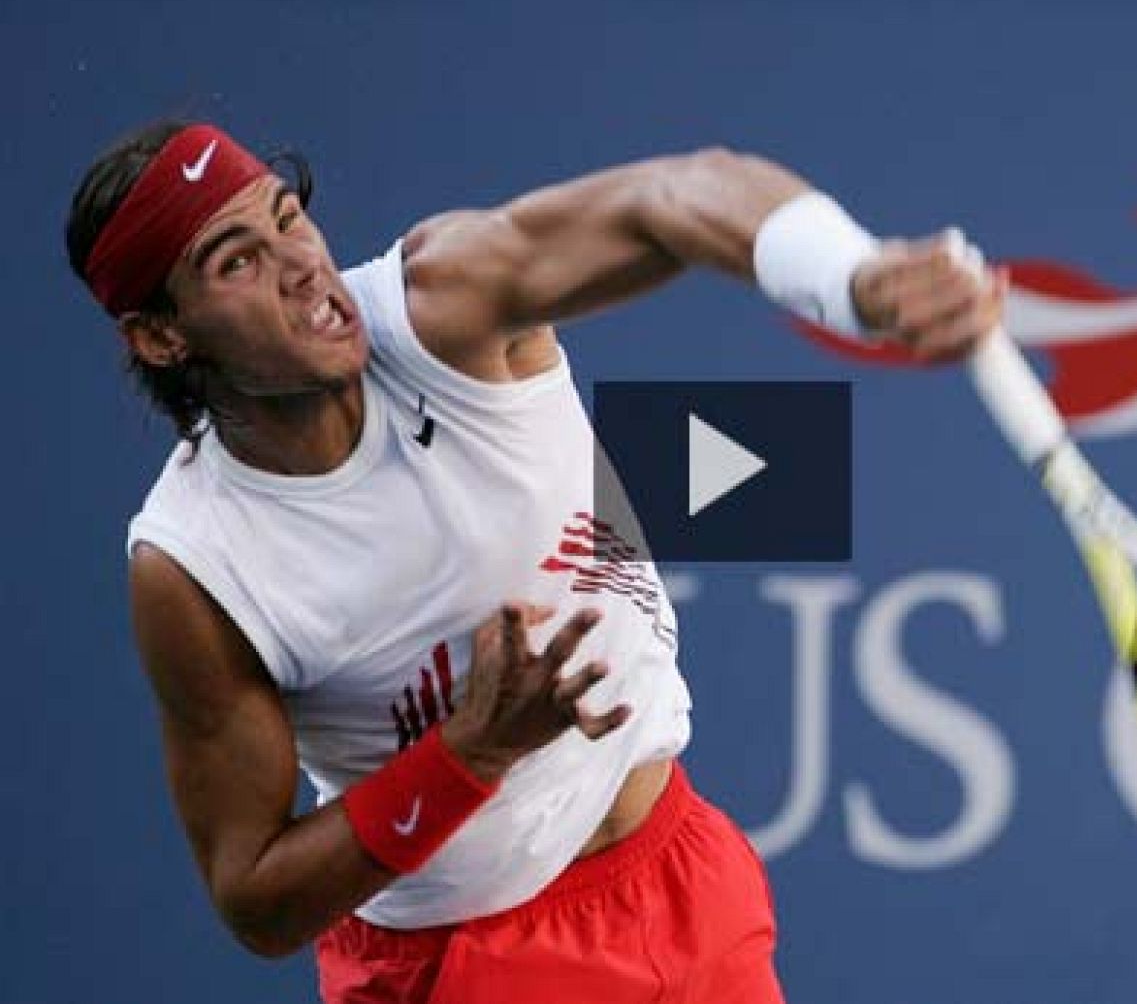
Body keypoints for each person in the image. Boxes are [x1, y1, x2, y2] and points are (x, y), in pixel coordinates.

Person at [65, 120, 1005, 1003]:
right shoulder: (194, 563)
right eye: (238, 262)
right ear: (162, 335)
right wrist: (470, 753)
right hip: (462, 959)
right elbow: (256, 899)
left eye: (288, 217)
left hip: (680, 872)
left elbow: (673, 194)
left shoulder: (441, 304)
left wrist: (855, 279)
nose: (302, 266)